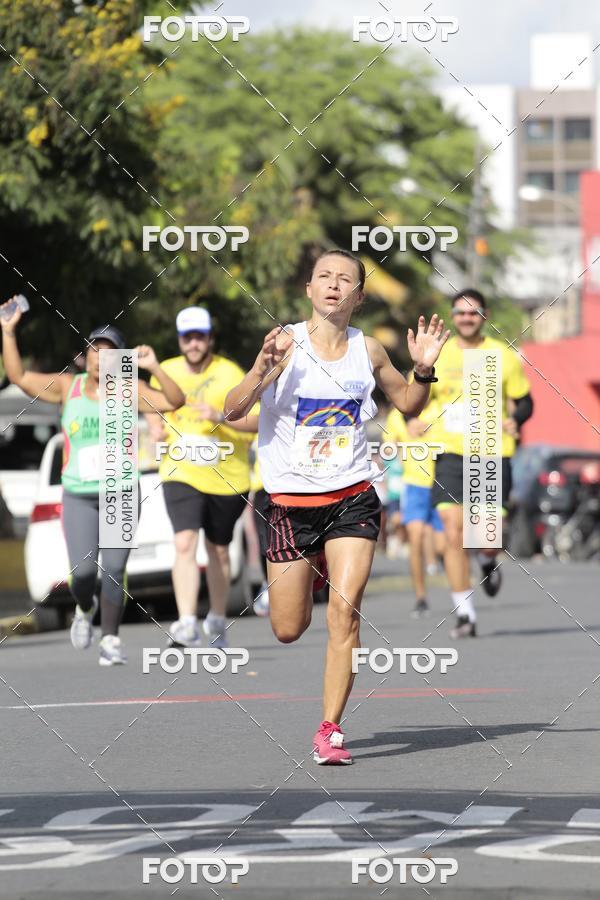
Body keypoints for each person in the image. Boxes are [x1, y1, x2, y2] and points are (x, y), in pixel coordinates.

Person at [224, 249, 449, 765]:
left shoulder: (367, 351)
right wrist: (261, 366)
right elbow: (231, 409)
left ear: (358, 295)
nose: (332, 285)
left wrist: (423, 369)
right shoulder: (283, 345)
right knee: (288, 628)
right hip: (288, 505)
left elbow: (409, 404)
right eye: (323, 276)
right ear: (309, 289)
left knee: (345, 615)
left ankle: (330, 730)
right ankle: (305, 584)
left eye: (344, 279)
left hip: (353, 498)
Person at [0, 300, 185, 664]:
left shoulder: (130, 390)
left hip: (121, 492)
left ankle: (111, 640)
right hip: (79, 495)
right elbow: (19, 376)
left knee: (114, 568)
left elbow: (174, 401)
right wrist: (8, 331)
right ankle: (85, 608)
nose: (102, 358)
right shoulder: (66, 387)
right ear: (85, 357)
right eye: (95, 351)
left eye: (110, 352)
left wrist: (155, 368)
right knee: (83, 574)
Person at [144, 307, 259, 649]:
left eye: (200, 336)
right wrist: (155, 428)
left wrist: (220, 417)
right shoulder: (165, 370)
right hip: (181, 471)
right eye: (186, 337)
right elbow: (154, 408)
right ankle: (186, 622)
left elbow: (255, 425)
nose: (193, 343)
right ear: (179, 339)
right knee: (184, 542)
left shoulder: (231, 373)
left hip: (228, 476)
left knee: (219, 551)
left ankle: (218, 619)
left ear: (210, 338)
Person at [429, 289, 533, 638]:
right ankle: (465, 614)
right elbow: (416, 395)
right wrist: (414, 419)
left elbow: (525, 401)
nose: (466, 318)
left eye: (473, 313)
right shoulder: (439, 355)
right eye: (460, 313)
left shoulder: (500, 355)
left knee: (486, 537)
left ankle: (488, 560)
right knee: (453, 530)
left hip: (489, 451)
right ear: (453, 316)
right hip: (449, 453)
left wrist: (515, 418)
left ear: (484, 317)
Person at [384, 397, 445, 617]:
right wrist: (395, 446)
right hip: (414, 485)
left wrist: (428, 429)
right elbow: (388, 449)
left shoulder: (440, 408)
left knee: (442, 547)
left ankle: (461, 586)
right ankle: (421, 597)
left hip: (442, 483)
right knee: (416, 536)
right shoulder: (395, 417)